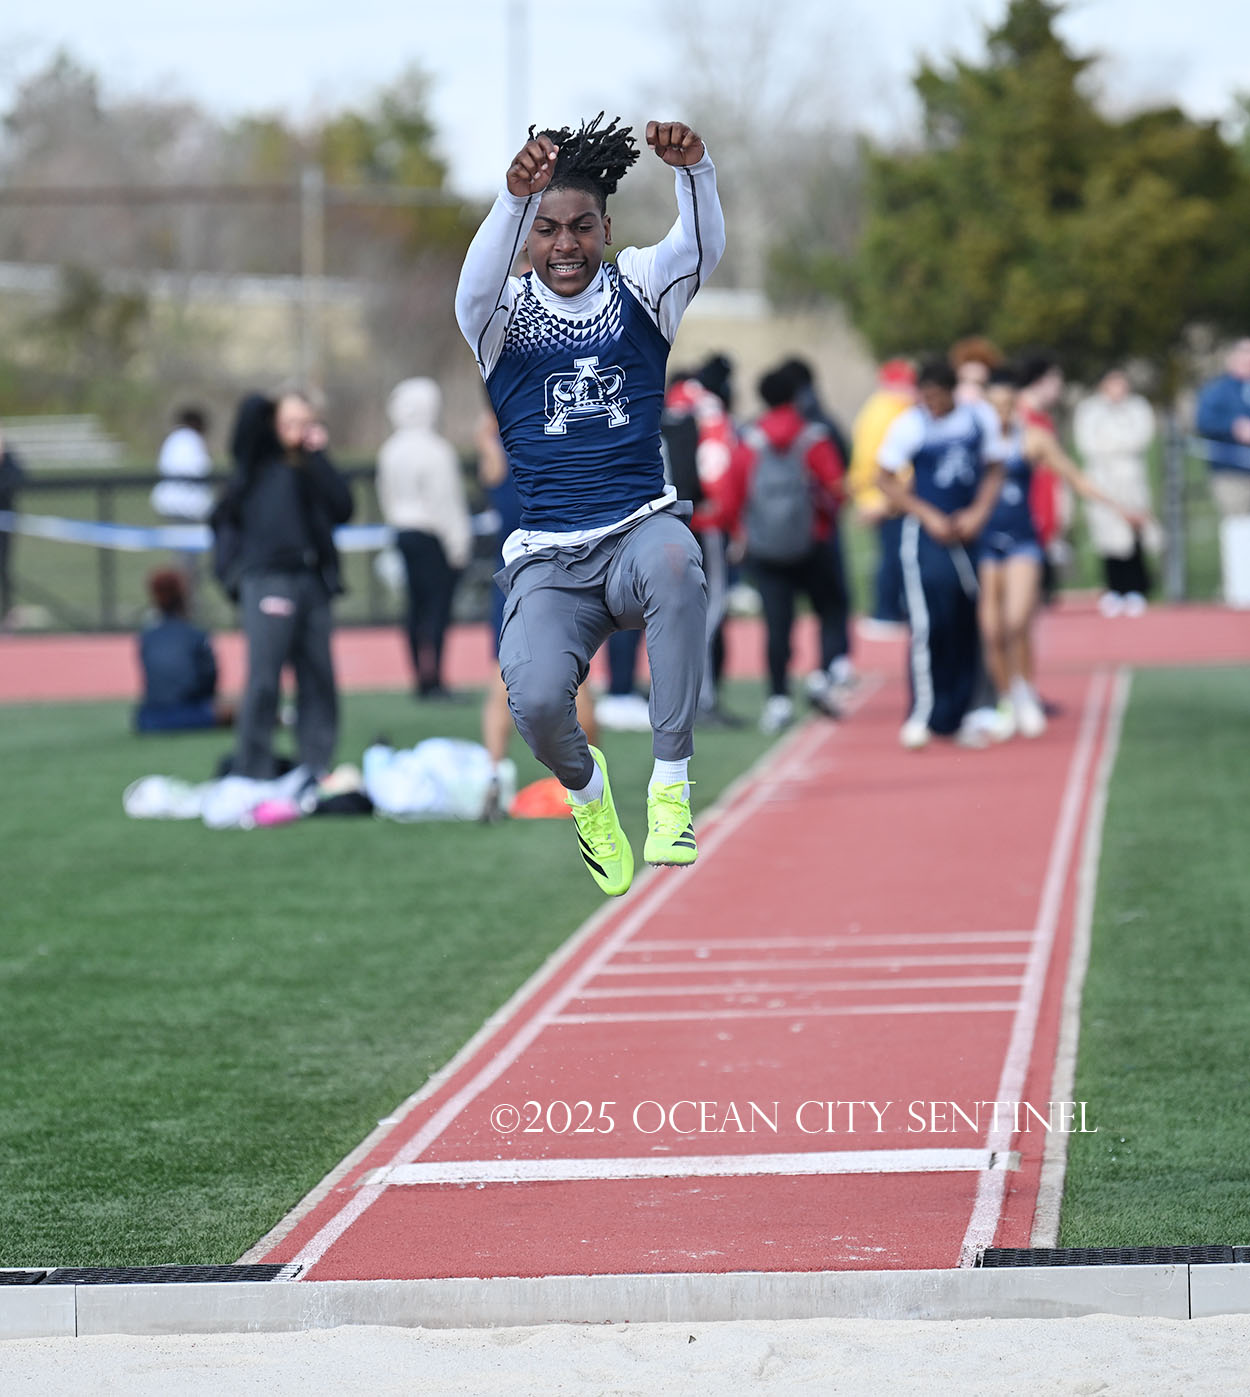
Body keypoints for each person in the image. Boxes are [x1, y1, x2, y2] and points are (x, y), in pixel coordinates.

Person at [454, 114, 724, 897]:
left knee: (677, 561)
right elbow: (472, 283)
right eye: (546, 230)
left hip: (638, 530)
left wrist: (695, 171)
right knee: (538, 703)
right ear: (526, 240)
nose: (565, 244)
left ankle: (670, 786)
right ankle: (589, 793)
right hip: (548, 558)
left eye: (580, 227)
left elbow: (701, 248)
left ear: (606, 230)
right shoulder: (500, 317)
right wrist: (513, 199)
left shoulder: (639, 287)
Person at [979, 369, 1146, 738]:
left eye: (1007, 406)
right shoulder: (975, 441)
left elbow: (1075, 477)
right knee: (992, 631)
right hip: (985, 544)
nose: (1001, 414)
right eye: (993, 407)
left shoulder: (1032, 439)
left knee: (1016, 622)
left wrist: (1118, 507)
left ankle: (1024, 692)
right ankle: (1006, 699)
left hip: (1022, 541)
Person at [211, 391, 353, 781]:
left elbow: (343, 507)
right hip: (269, 579)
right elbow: (247, 422)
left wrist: (318, 454)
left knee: (318, 677)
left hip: (312, 580)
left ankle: (314, 767)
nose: (298, 430)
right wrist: (278, 408)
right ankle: (253, 770)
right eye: (289, 421)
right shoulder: (256, 463)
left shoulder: (311, 467)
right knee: (264, 679)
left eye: (306, 422)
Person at [476, 406, 599, 818]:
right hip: (558, 567)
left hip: (515, 571)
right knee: (577, 676)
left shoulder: (496, 442)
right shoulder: (560, 434)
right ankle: (589, 780)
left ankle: (494, 773)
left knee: (502, 676)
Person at [876, 359, 1006, 749]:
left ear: (952, 392)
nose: (930, 404)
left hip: (969, 534)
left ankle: (960, 714)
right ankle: (923, 713)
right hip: (926, 536)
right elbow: (883, 477)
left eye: (936, 397)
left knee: (967, 621)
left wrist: (978, 513)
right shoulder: (911, 424)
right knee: (930, 622)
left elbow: (995, 468)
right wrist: (927, 514)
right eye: (925, 397)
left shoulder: (978, 418)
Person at [719, 365, 846, 734]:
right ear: (796, 395)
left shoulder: (750, 441)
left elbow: (732, 495)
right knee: (831, 609)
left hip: (765, 547)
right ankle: (822, 676)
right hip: (813, 540)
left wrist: (742, 532)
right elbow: (836, 487)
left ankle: (778, 700)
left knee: (777, 624)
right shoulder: (813, 437)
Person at [376, 377, 472, 699]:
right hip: (433, 537)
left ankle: (420, 676)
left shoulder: (390, 450)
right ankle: (435, 678)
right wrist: (458, 545)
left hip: (404, 533)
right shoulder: (436, 451)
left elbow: (386, 495)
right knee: (437, 609)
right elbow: (446, 503)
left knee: (415, 608)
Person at [779, 356, 856, 700]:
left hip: (773, 532)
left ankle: (779, 692)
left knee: (780, 613)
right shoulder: (820, 425)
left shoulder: (760, 429)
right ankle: (831, 665)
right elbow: (841, 469)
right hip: (819, 529)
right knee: (832, 602)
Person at [1072, 369, 1159, 617]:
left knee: (1134, 532)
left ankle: (1136, 587)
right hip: (1103, 480)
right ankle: (1115, 587)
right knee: (1108, 536)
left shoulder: (1137, 408)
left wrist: (1113, 443)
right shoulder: (1090, 410)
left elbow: (1140, 437)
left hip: (1131, 478)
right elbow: (1088, 443)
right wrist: (1114, 444)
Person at [848, 359, 916, 631]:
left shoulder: (884, 409)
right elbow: (873, 462)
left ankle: (890, 610)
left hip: (887, 495)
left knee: (893, 554)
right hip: (888, 496)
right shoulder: (887, 412)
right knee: (894, 555)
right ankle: (887, 611)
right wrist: (877, 501)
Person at [134, 568, 232, 733]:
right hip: (192, 712)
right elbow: (209, 677)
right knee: (241, 706)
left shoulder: (146, 637)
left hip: (150, 718)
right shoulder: (196, 635)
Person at [1195, 337, 1250, 519]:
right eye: (1244, 353)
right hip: (1230, 471)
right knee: (1237, 525)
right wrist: (1234, 427)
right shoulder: (1217, 390)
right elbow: (1204, 422)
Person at [151, 406, 215, 524]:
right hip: (190, 505)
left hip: (166, 503)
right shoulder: (192, 439)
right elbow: (200, 469)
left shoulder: (172, 438)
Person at [0, 425, 26, 626]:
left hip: (4, 526)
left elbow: (20, 478)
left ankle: (8, 611)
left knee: (3, 567)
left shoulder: (10, 464)